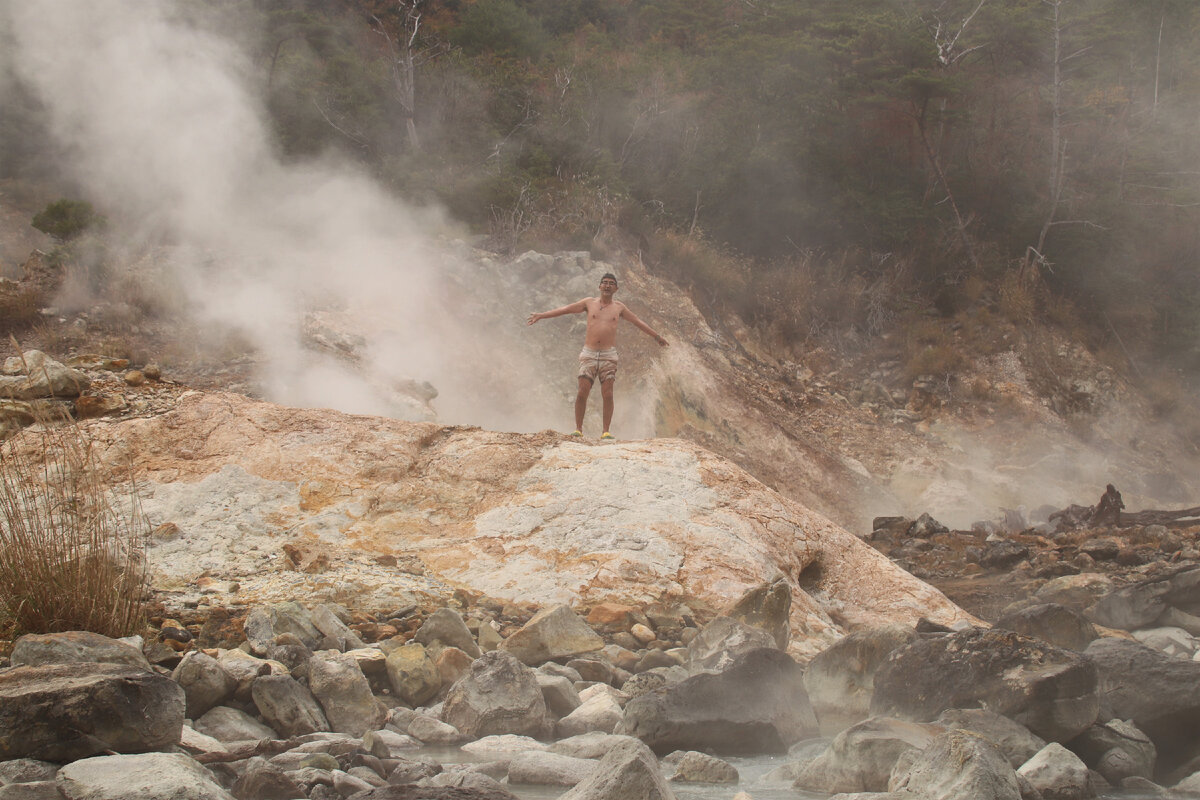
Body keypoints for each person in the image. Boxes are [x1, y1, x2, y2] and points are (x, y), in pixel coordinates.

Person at [527, 272, 668, 439]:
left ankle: (605, 432)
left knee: (607, 393)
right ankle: (578, 430)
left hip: (608, 355)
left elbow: (637, 322)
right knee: (582, 391)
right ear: (599, 286)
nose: (607, 286)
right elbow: (566, 309)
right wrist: (541, 315)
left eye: (611, 283)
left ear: (616, 288)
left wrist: (657, 337)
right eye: (604, 282)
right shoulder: (589, 303)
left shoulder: (619, 308)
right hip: (589, 353)